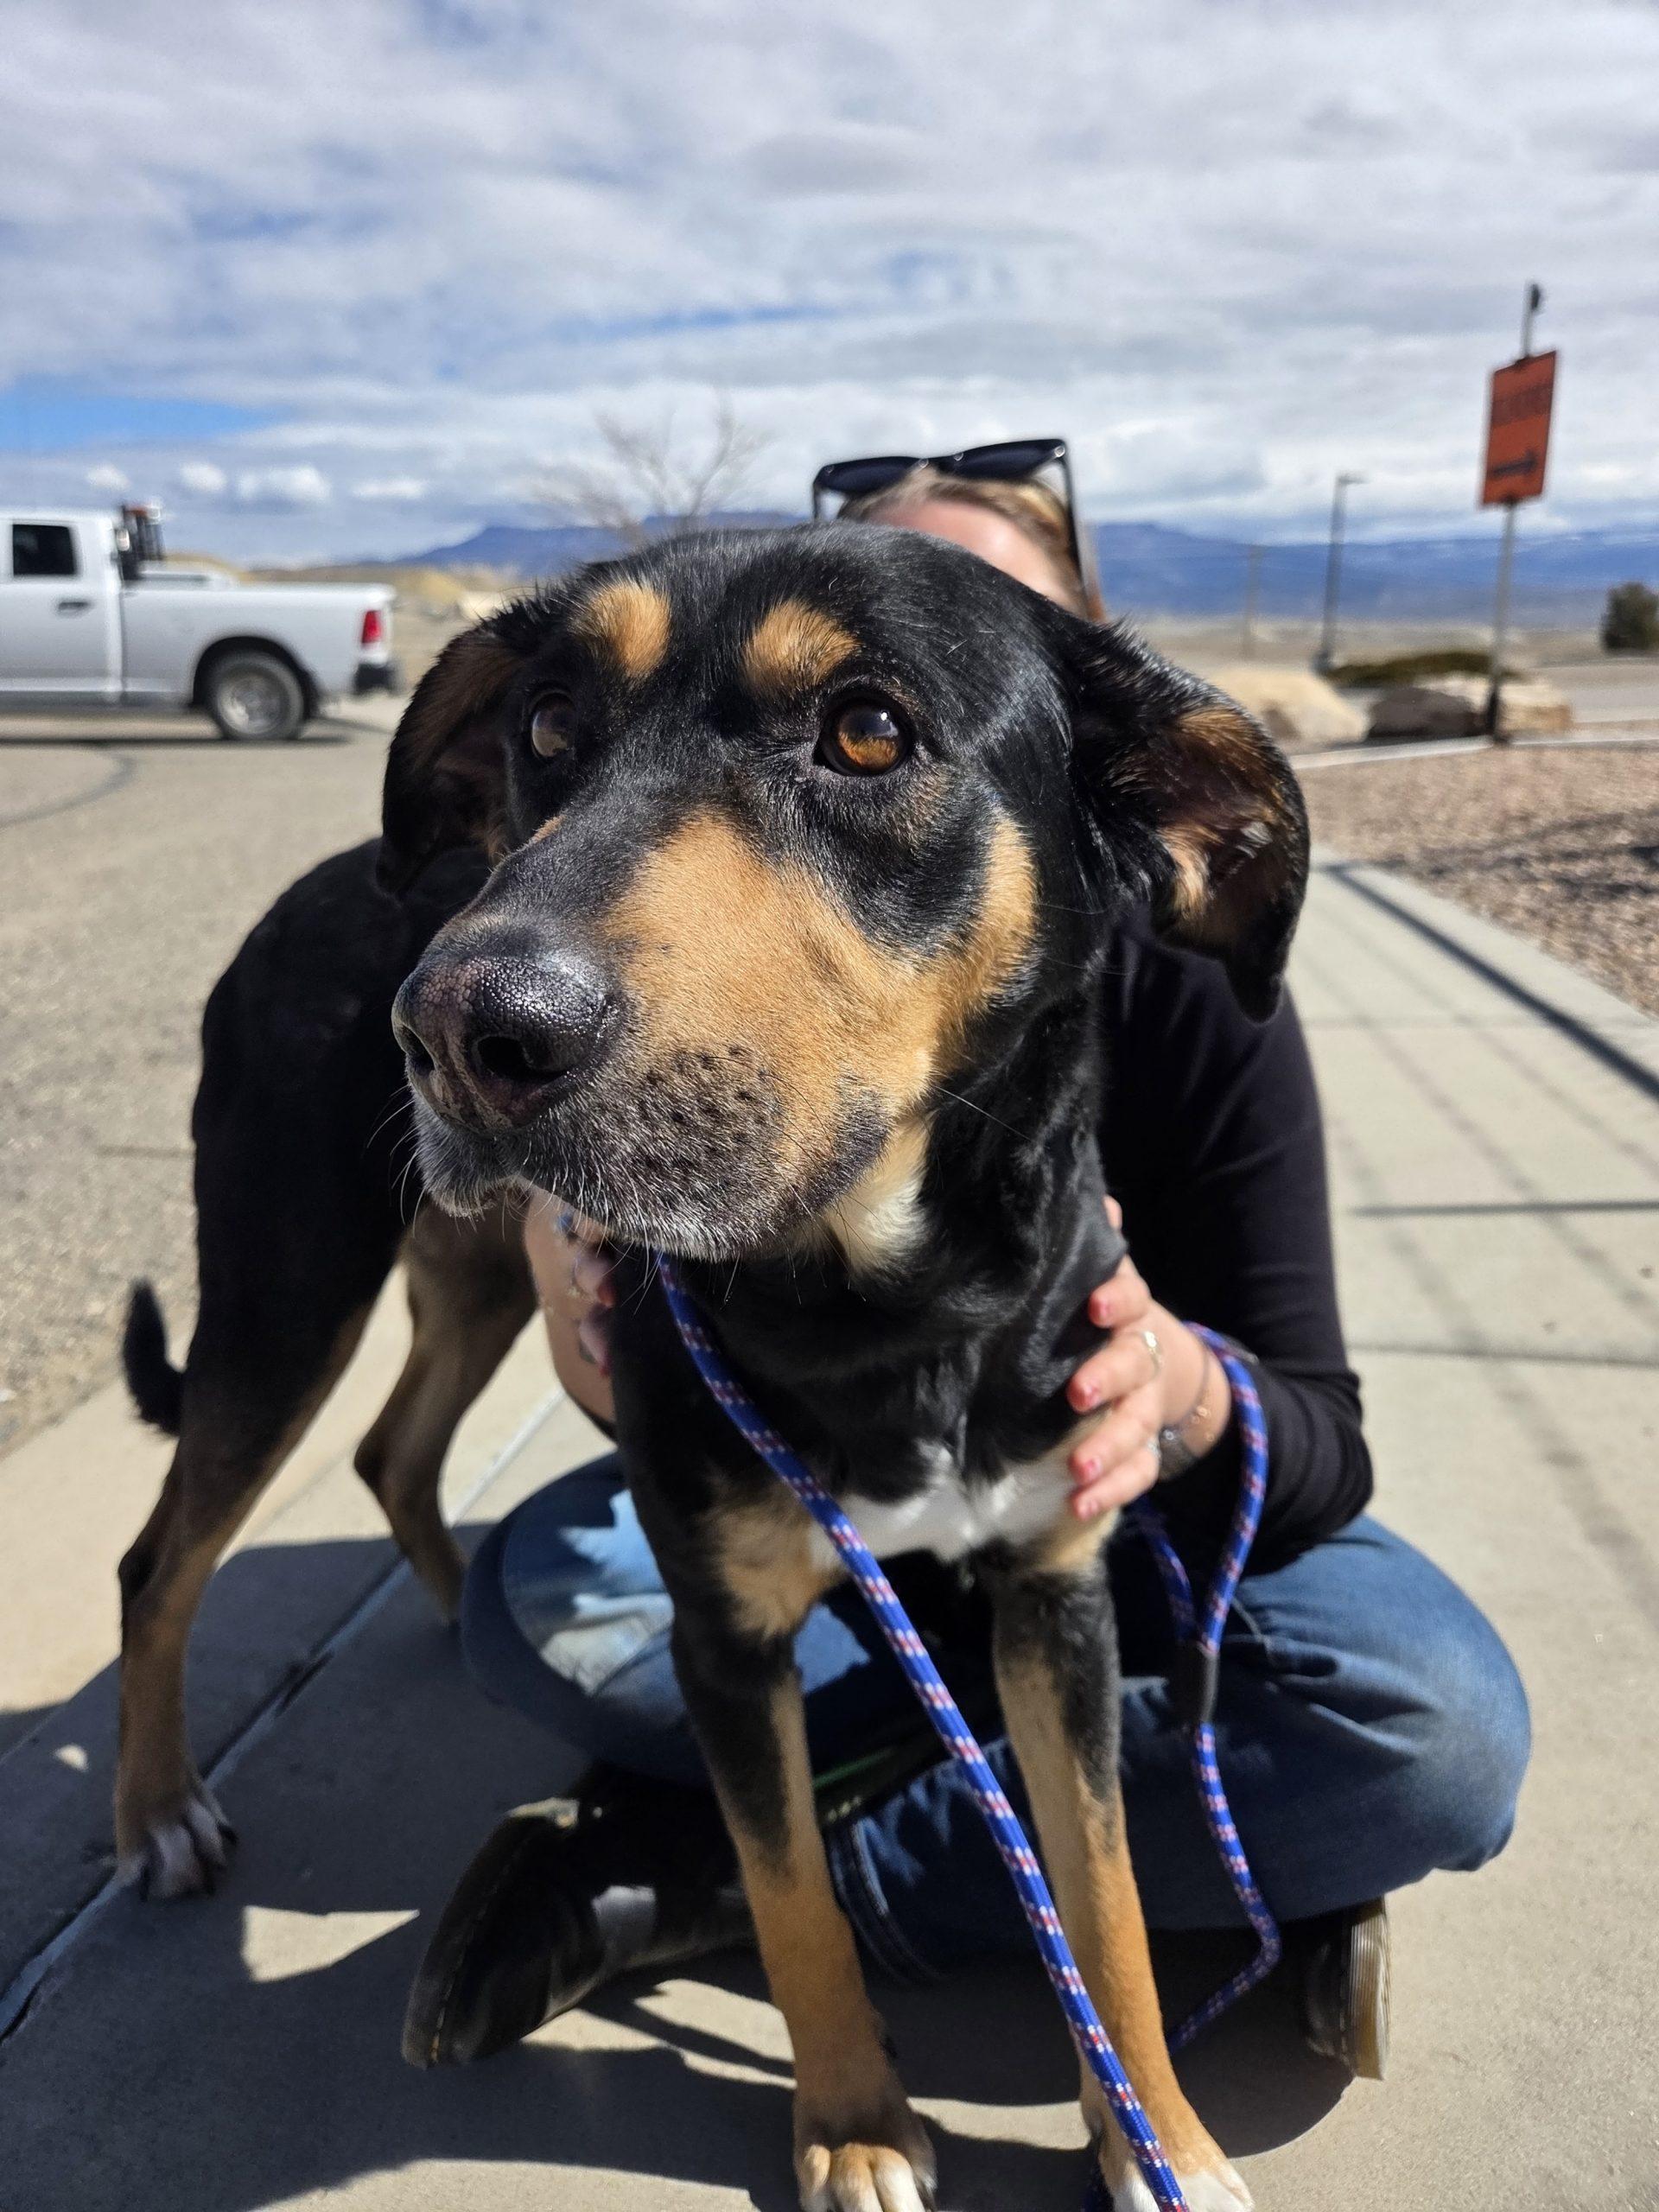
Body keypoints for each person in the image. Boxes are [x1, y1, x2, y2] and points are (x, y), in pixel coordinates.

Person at [400, 453, 1530, 2085]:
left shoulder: (1197, 1003)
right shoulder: (643, 1003)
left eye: (867, 729)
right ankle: (1202, 1847)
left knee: (1432, 1727)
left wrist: (1182, 1388)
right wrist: (563, 1237)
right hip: (828, 1530)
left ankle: (740, 1873)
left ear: (1106, 793)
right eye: (576, 732)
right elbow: (641, 1393)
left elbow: (1324, 1446)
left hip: (1104, 1545)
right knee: (533, 1612)